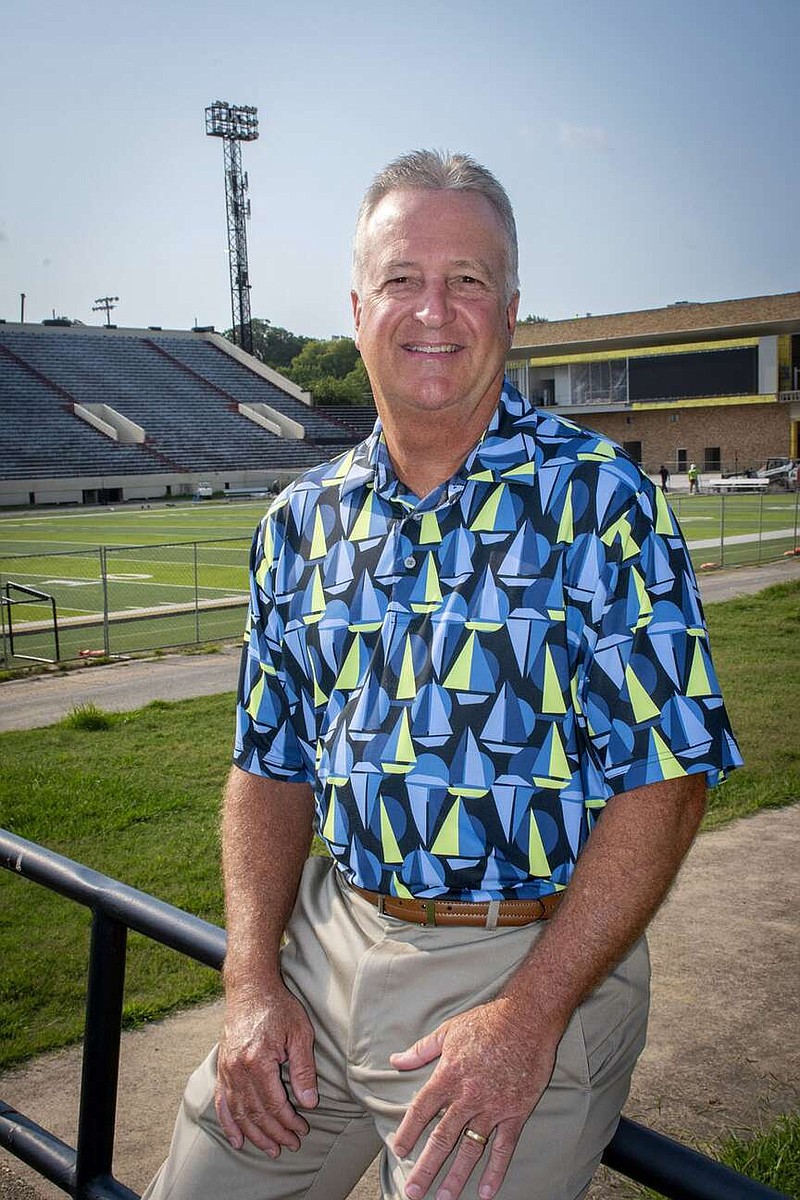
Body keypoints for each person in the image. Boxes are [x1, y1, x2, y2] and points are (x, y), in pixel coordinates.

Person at [144, 151, 742, 1200]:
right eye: (402, 278)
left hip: (521, 961)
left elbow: (668, 780)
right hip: (323, 948)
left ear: (509, 308)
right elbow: (267, 771)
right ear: (356, 306)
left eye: (466, 279)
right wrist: (248, 986)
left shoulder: (598, 503)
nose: (434, 309)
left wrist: (528, 1017)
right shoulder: (300, 525)